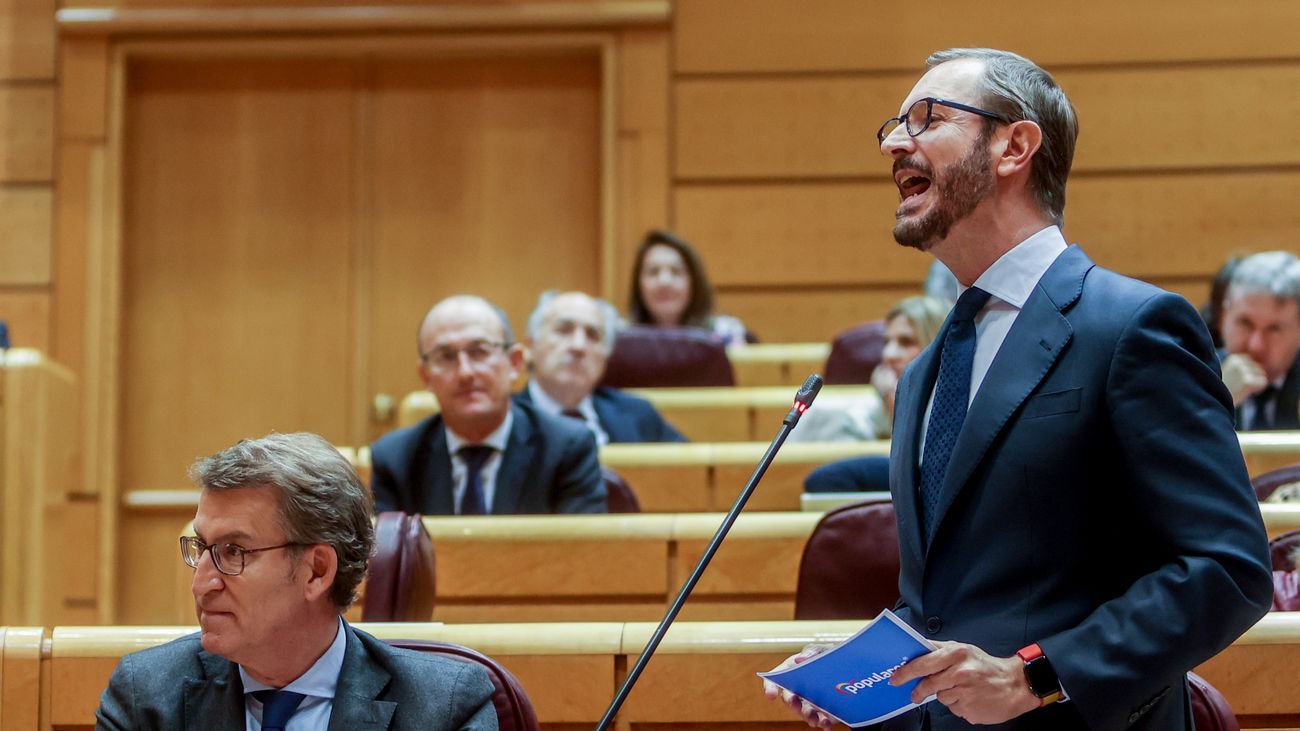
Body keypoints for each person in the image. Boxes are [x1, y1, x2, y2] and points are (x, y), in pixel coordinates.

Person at [765, 48, 1272, 730]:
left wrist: (1037, 674)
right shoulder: (924, 372)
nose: (893, 143)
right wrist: (865, 678)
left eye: (927, 118)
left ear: (1014, 146)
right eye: (895, 123)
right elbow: (951, 605)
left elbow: (1228, 567)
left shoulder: (1131, 326)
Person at [96, 432, 497, 730]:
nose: (202, 584)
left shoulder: (444, 709)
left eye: (234, 551)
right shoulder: (146, 698)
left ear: (317, 571)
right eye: (202, 547)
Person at [370, 295, 606, 515]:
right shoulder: (395, 458)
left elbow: (581, 545)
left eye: (480, 352)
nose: (465, 372)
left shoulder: (567, 449)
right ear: (425, 376)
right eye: (446, 356)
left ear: (514, 363)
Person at [799, 296, 950, 492]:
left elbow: (922, 460)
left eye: (906, 342)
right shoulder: (863, 408)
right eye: (887, 342)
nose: (889, 354)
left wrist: (891, 399)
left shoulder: (953, 401)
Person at [519, 290, 687, 444]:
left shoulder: (638, 415)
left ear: (606, 355)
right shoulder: (508, 418)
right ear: (530, 346)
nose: (579, 346)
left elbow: (689, 465)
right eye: (564, 330)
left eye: (593, 335)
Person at [1218, 251, 1300, 430]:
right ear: (1224, 317)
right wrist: (1217, 400)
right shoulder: (1195, 376)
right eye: (1245, 323)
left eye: (1274, 329)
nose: (1256, 345)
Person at [628, 229, 753, 346]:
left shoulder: (725, 334)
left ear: (694, 282)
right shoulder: (623, 340)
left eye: (676, 271)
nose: (664, 282)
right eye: (653, 271)